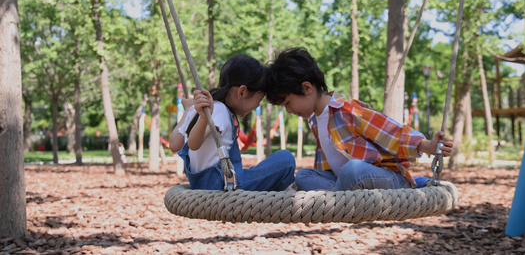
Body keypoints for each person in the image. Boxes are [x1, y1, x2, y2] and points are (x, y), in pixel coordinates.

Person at [265, 47, 454, 191]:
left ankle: (337, 200)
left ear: (307, 88)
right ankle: (337, 198)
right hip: (344, 183)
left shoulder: (347, 111)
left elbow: (391, 132)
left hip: (383, 178)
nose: (289, 110)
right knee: (303, 175)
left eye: (288, 103)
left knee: (353, 168)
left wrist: (427, 145)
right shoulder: (314, 120)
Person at [169, 54, 296, 191]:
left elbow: (174, 144)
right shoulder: (219, 111)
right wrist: (205, 119)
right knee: (286, 160)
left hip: (203, 184)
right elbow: (194, 144)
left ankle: (283, 190)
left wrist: (187, 110)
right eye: (259, 99)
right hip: (223, 186)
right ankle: (286, 191)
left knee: (264, 173)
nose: (257, 106)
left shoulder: (197, 109)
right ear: (242, 92)